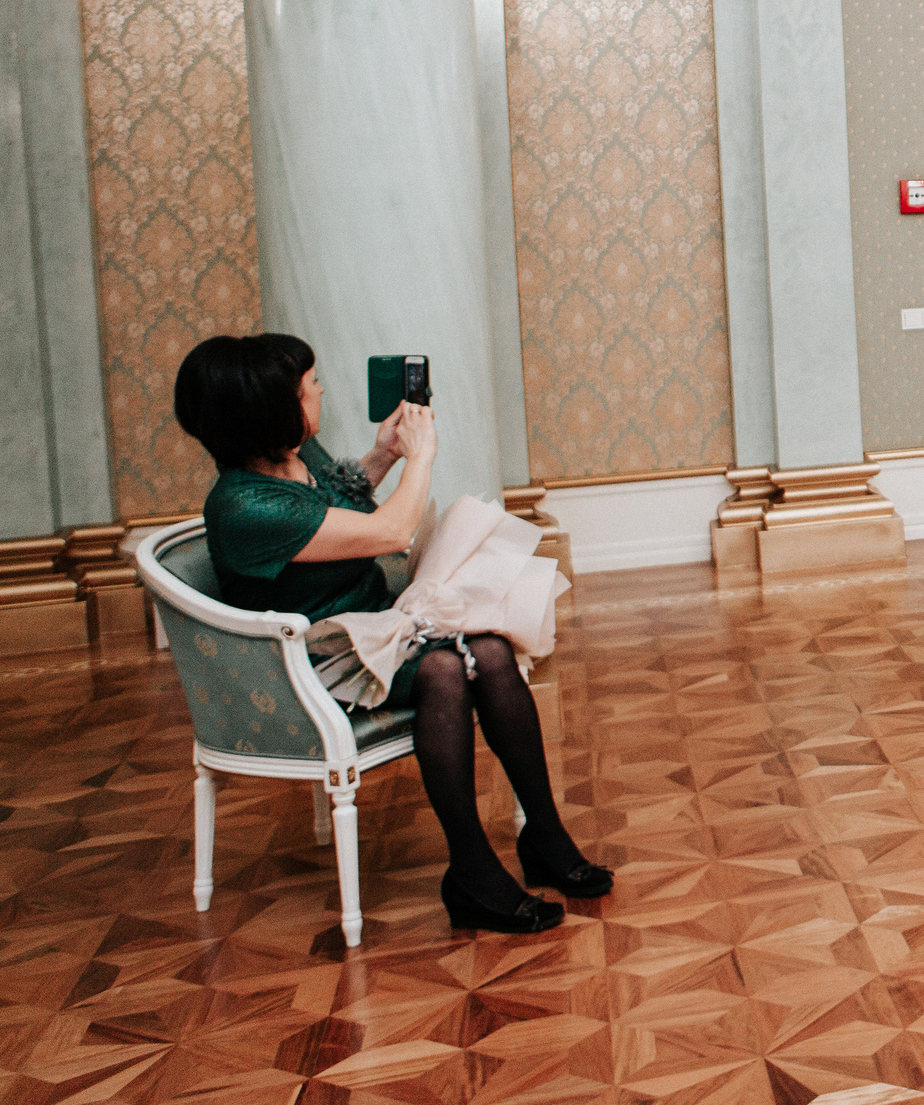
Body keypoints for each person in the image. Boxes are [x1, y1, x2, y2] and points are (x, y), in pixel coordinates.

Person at [173, 334, 611, 933]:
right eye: (310, 387)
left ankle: (545, 836)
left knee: (490, 648)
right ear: (271, 411)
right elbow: (389, 531)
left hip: (374, 626)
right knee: (445, 669)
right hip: (310, 663)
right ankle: (472, 870)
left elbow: (341, 502)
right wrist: (422, 455)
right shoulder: (245, 507)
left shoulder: (293, 455)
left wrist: (382, 454)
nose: (321, 391)